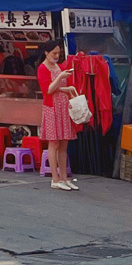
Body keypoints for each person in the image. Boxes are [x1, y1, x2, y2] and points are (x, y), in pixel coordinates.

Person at [37, 41, 79, 191]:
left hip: (63, 107)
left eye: (58, 53)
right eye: (54, 53)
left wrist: (67, 89)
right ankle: (55, 179)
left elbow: (58, 88)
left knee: (63, 145)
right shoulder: (42, 69)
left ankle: (64, 178)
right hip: (52, 108)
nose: (56, 56)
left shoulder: (58, 67)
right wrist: (61, 76)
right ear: (46, 53)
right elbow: (48, 90)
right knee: (54, 144)